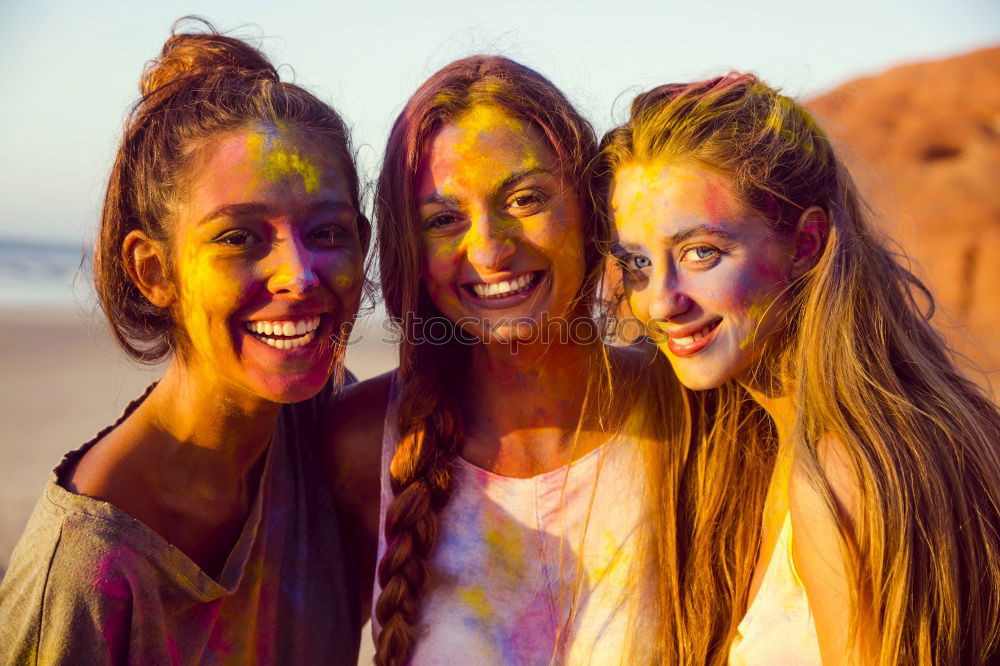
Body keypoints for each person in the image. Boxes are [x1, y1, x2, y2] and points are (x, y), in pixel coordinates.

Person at [0, 19, 370, 664]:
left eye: (329, 232)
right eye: (239, 237)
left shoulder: (330, 438)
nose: (302, 275)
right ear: (155, 271)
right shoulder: (86, 573)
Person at [599, 73, 1000, 664]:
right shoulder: (803, 444)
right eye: (637, 261)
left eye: (701, 253)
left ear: (807, 243)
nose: (661, 301)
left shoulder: (841, 476)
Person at [323, 55, 677, 665]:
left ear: (593, 206)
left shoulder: (686, 413)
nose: (489, 249)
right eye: (444, 219)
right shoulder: (358, 442)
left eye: (525, 198)